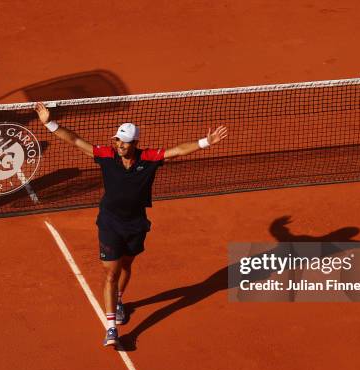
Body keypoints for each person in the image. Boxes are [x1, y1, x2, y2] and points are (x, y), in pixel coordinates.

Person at [35, 102, 228, 347]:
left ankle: (118, 300)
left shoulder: (148, 159)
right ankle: (111, 327)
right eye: (117, 140)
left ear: (135, 143)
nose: (119, 144)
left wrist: (205, 142)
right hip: (110, 222)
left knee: (126, 265)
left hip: (136, 223)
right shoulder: (106, 155)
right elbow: (76, 141)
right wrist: (50, 123)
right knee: (110, 272)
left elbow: (178, 150)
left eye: (124, 141)